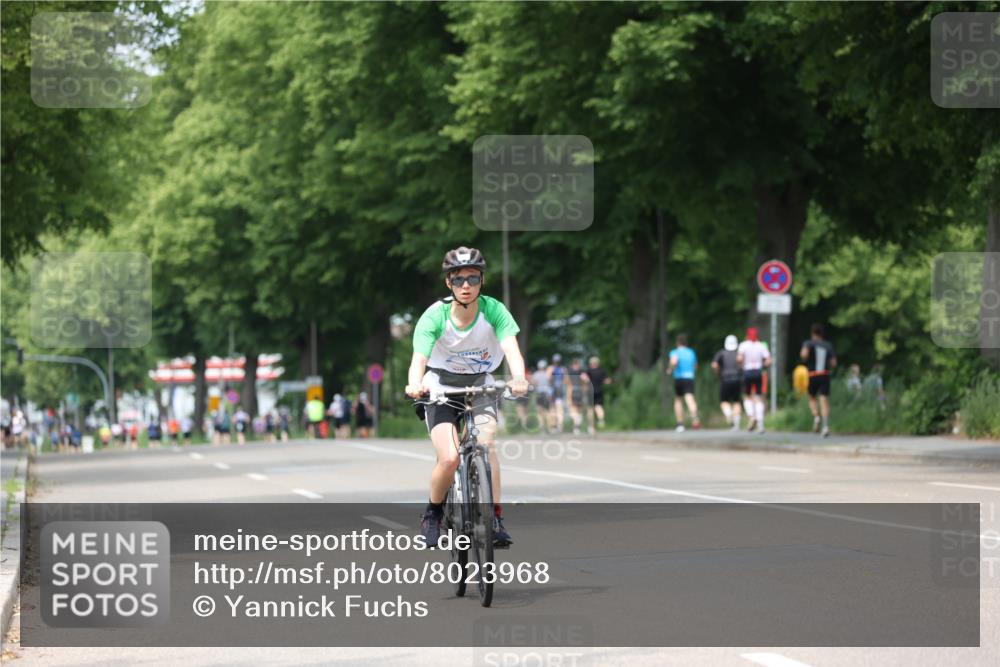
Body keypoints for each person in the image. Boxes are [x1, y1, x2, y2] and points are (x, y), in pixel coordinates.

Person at [404, 246, 528, 549]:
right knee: (448, 458)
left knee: (487, 444)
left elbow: (511, 348)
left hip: (480, 385)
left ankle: (495, 517)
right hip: (440, 387)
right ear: (448, 283)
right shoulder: (435, 315)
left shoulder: (494, 310)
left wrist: (519, 377)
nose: (466, 286)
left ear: (482, 280)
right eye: (458, 280)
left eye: (473, 279)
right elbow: (419, 358)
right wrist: (414, 384)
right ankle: (432, 514)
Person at [801, 323, 837, 437]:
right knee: (824, 400)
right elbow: (833, 363)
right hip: (825, 375)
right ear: (822, 333)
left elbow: (804, 355)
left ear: (812, 333)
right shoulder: (828, 345)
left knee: (811, 398)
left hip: (812, 374)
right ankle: (825, 426)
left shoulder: (808, 343)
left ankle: (816, 416)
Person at [737, 327, 771, 433]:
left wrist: (741, 365)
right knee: (758, 397)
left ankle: (752, 416)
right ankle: (760, 423)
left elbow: (739, 359)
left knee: (747, 396)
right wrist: (763, 365)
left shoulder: (743, 345)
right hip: (758, 372)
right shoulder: (761, 345)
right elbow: (769, 360)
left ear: (747, 335)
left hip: (747, 372)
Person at [668, 333, 700, 431]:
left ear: (677, 343)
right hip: (689, 377)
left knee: (678, 400)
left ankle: (680, 423)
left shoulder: (675, 352)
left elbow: (674, 361)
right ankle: (695, 420)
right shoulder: (691, 352)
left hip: (679, 378)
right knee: (690, 398)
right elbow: (695, 366)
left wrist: (670, 369)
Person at [712, 335, 743, 430]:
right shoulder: (739, 353)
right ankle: (736, 423)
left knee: (724, 401)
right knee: (737, 401)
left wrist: (718, 373)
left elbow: (714, 365)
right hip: (737, 379)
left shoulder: (721, 353)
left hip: (725, 379)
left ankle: (729, 414)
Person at [565, 358, 591, 435]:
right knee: (579, 409)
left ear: (572, 364)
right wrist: (584, 388)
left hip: (572, 391)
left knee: (573, 409)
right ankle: (577, 424)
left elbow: (566, 382)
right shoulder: (581, 372)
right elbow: (586, 380)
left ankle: (576, 425)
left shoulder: (569, 372)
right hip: (580, 391)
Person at [586, 356, 610, 430]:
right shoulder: (602, 371)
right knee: (598, 407)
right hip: (599, 390)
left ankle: (591, 426)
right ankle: (601, 420)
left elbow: (584, 378)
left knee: (590, 409)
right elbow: (607, 381)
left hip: (591, 391)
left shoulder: (588, 371)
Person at [530, 360, 553, 433]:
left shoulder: (536, 374)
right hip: (547, 393)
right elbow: (550, 383)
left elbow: (533, 384)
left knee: (540, 412)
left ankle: (542, 428)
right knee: (548, 412)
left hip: (539, 394)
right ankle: (550, 428)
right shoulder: (547, 374)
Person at [548, 353, 566, 433]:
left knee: (555, 409)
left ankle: (556, 426)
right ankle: (555, 425)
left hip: (555, 390)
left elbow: (548, 378)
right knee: (557, 408)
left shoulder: (551, 368)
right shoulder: (562, 369)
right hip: (555, 390)